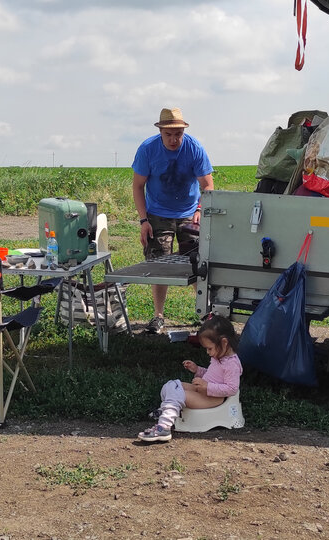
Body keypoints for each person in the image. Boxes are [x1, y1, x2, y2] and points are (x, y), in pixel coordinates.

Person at [132, 107, 214, 333]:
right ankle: (158, 315)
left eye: (177, 133)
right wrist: (143, 220)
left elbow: (207, 184)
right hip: (158, 213)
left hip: (189, 212)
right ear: (160, 131)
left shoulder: (194, 148)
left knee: (198, 262)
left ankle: (204, 313)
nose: (173, 139)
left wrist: (200, 209)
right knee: (160, 264)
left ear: (183, 130)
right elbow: (138, 186)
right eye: (168, 134)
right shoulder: (147, 150)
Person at [138, 316, 242, 443]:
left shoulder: (232, 364)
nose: (208, 352)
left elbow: (231, 389)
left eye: (209, 348)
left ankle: (164, 427)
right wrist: (198, 370)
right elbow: (212, 375)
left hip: (213, 399)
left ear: (224, 342)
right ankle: (167, 411)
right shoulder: (218, 357)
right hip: (204, 391)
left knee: (178, 394)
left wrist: (207, 386)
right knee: (171, 385)